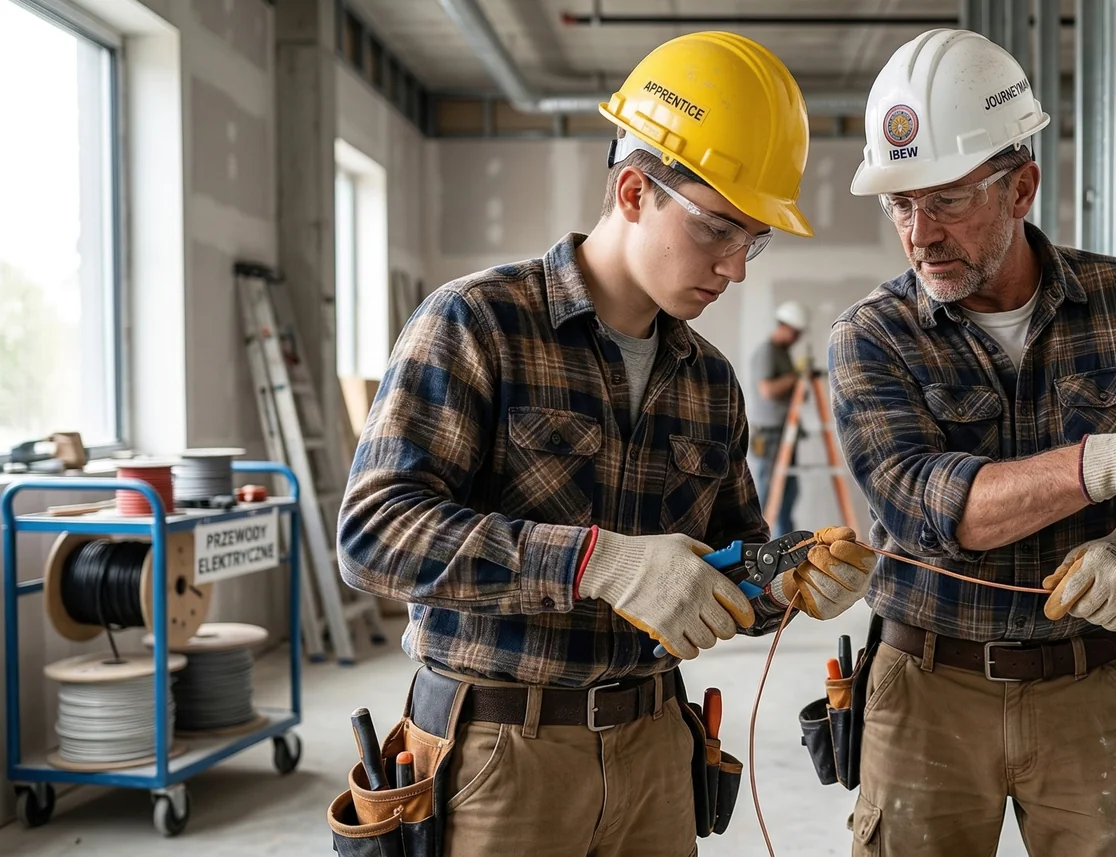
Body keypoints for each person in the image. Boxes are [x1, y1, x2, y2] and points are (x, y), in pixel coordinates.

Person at [338, 32, 875, 856]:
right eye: (719, 230)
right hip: (498, 757)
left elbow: (730, 567)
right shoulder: (478, 324)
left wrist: (796, 578)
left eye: (755, 239)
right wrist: (596, 560)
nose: (736, 267)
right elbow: (374, 537)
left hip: (655, 751)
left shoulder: (709, 381)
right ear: (633, 190)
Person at [828, 29, 1116, 857]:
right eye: (900, 203)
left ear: (1022, 187)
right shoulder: (871, 337)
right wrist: (1105, 461)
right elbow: (930, 503)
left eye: (948, 199)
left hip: (1092, 682)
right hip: (926, 686)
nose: (920, 232)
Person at [747, 300, 808, 536]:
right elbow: (768, 391)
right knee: (770, 492)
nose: (797, 338)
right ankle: (762, 544)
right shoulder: (767, 352)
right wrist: (796, 376)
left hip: (785, 432)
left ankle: (787, 544)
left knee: (788, 493)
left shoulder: (783, 353)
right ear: (783, 327)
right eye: (795, 333)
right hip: (770, 434)